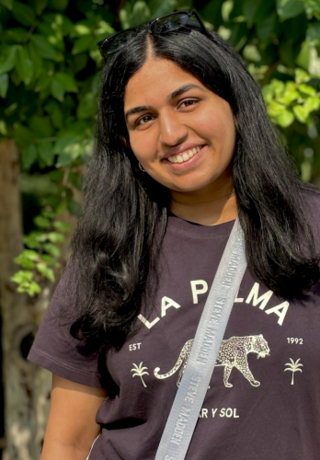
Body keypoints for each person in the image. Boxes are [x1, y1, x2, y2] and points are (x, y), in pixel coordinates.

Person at [28, 9, 320, 460]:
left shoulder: (313, 227)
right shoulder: (107, 258)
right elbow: (66, 444)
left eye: (188, 102)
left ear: (233, 102)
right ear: (127, 144)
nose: (170, 134)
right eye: (143, 119)